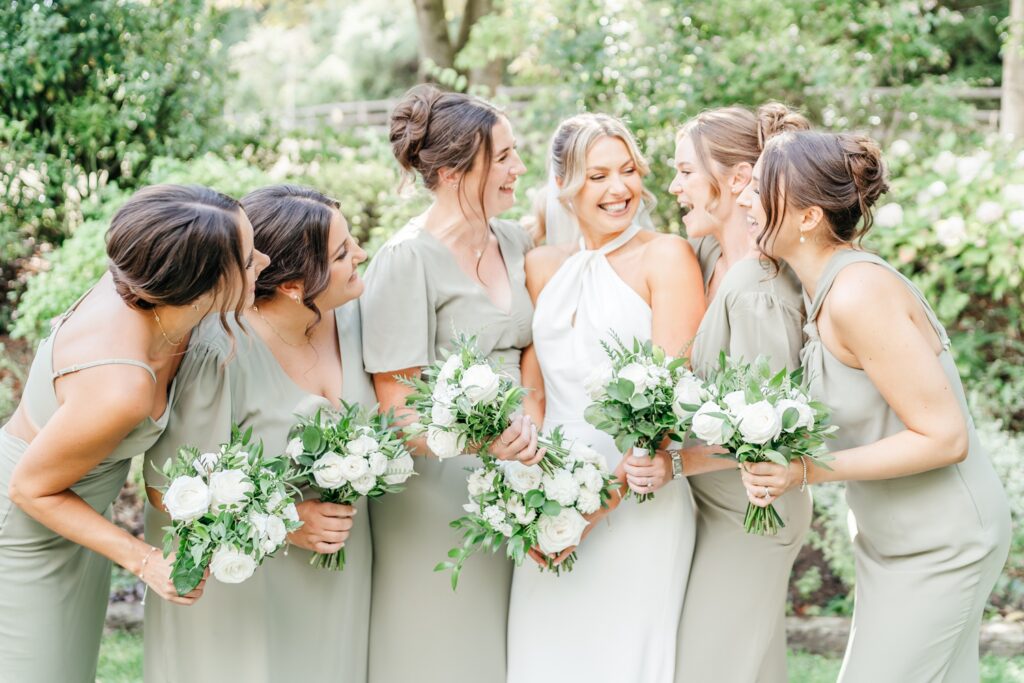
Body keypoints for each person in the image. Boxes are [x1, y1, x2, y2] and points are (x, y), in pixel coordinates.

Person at [740, 130, 1011, 682]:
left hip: (943, 544)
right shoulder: (820, 293)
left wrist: (807, 471)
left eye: (758, 187)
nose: (744, 198)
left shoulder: (859, 293)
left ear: (809, 217)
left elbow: (944, 436)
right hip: (892, 542)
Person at [0, 184, 263, 682]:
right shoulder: (122, 385)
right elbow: (28, 489)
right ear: (199, 284)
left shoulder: (152, 289)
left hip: (77, 519)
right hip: (27, 532)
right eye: (248, 259)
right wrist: (146, 560)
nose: (265, 262)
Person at [142, 185, 372, 682]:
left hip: (340, 578)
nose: (361, 254)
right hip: (245, 587)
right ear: (292, 285)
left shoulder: (354, 319)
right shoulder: (219, 351)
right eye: (341, 252)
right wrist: (290, 521)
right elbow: (167, 489)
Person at [507, 113, 705, 683]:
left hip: (639, 494)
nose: (618, 189)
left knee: (624, 658)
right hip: (549, 490)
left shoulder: (666, 256)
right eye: (597, 176)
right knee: (544, 656)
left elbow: (670, 398)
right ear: (565, 186)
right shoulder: (542, 267)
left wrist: (596, 508)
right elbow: (535, 388)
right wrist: (528, 491)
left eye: (627, 171)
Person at [360, 85, 539, 683]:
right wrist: (481, 442)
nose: (519, 168)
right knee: (442, 649)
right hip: (436, 490)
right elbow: (395, 411)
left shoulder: (515, 240)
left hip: (519, 475)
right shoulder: (406, 259)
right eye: (505, 156)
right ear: (456, 170)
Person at [668, 104, 811, 683]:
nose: (673, 187)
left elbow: (766, 436)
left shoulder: (758, 288)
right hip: (711, 505)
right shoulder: (706, 258)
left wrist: (666, 460)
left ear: (736, 179)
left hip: (754, 513)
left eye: (683, 171)